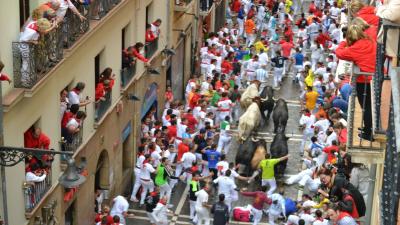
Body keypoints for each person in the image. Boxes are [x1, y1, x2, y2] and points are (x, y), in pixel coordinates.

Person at [335, 23, 376, 140]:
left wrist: (344, 42)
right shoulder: (370, 41)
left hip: (365, 79)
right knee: (369, 105)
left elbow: (339, 53)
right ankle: (368, 127)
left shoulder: (355, 48)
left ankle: (368, 132)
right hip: (374, 77)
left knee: (366, 106)